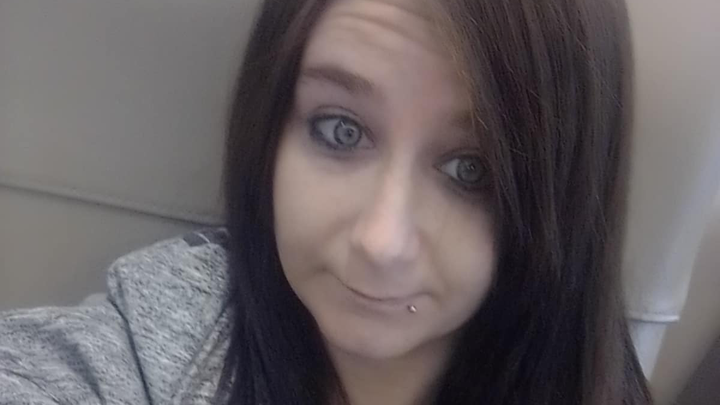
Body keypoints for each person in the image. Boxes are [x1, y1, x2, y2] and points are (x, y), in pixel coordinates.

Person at [0, 0, 653, 404]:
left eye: (471, 170)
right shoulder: (156, 338)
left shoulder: (592, 377)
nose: (381, 241)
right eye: (341, 130)